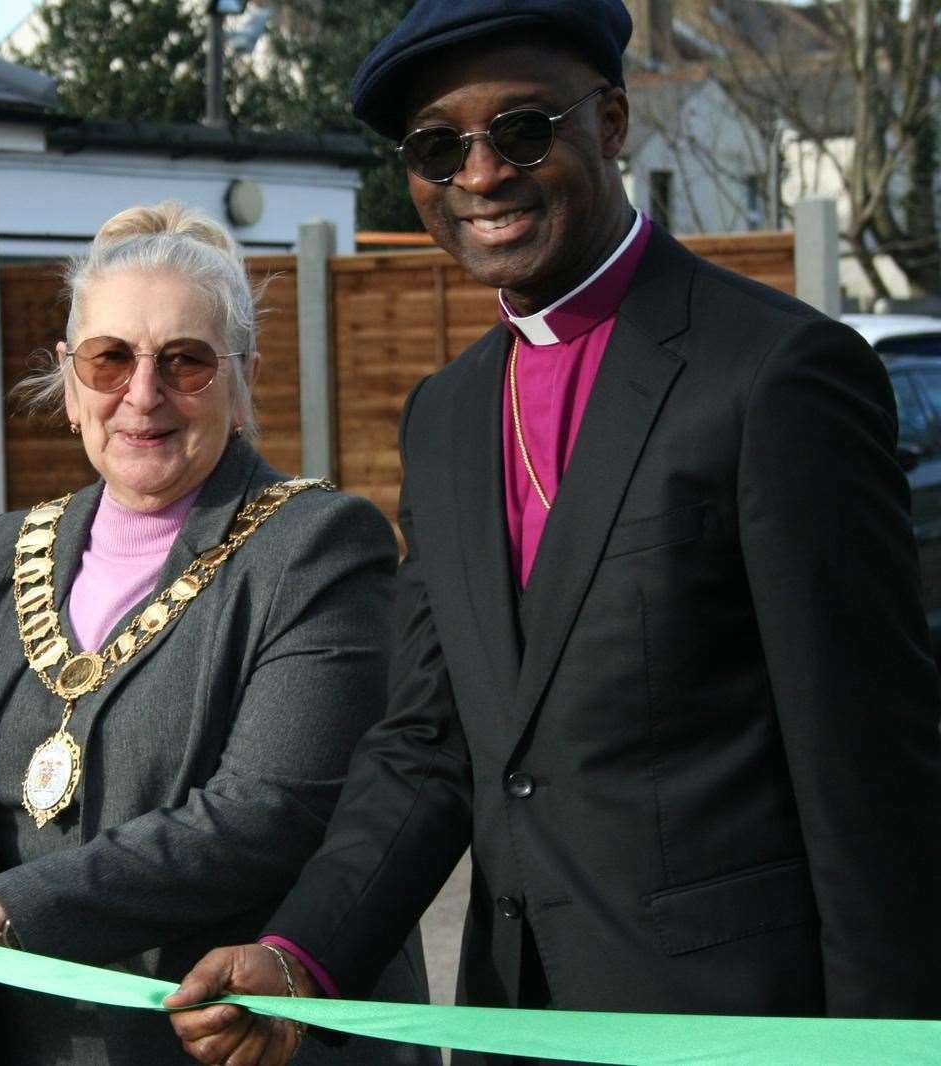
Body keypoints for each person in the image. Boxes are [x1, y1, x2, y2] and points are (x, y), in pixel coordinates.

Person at [168, 2, 941, 1063]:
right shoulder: (442, 417)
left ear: (611, 123)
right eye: (438, 147)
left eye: (523, 128)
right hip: (510, 1025)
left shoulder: (773, 375)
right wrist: (302, 952)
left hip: (738, 1031)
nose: (480, 175)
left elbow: (869, 771)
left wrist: (886, 1047)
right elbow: (430, 740)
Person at [0, 202, 435, 1065]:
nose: (142, 394)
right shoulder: (8, 549)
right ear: (70, 379)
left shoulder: (318, 545)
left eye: (186, 363)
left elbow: (263, 818)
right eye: (110, 358)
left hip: (229, 1043)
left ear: (243, 383)